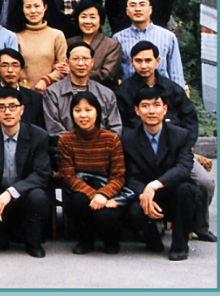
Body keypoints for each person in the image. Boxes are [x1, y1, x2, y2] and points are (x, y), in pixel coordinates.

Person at [114, 41, 213, 241]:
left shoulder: (172, 89)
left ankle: (199, 226)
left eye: (148, 60)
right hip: (141, 154)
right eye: (139, 61)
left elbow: (190, 120)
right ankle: (153, 223)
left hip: (174, 151)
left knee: (205, 182)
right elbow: (122, 125)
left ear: (157, 61)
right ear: (131, 62)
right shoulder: (124, 92)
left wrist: (184, 145)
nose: (144, 65)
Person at [122, 86, 200, 261]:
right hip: (147, 196)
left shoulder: (181, 135)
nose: (151, 111)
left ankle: (180, 245)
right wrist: (144, 194)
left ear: (165, 109)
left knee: (187, 190)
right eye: (145, 106)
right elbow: (130, 176)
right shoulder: (128, 139)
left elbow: (184, 168)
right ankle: (152, 240)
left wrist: (154, 185)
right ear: (137, 110)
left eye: (156, 105)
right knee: (134, 209)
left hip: (173, 193)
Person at [0, 87, 51, 257]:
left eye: (12, 106)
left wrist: (11, 192)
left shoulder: (39, 136)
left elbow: (40, 174)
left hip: (24, 194)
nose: (7, 112)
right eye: (1, 107)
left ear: (21, 110)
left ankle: (33, 242)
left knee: (38, 196)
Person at [57, 91, 127, 255]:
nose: (83, 115)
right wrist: (95, 195)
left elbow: (118, 176)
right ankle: (85, 240)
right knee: (77, 202)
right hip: (82, 190)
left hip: (107, 190)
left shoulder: (111, 139)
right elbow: (68, 177)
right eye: (77, 110)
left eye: (88, 110)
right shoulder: (65, 140)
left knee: (107, 215)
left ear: (97, 112)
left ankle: (111, 240)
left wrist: (104, 194)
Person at [43, 41, 122, 138]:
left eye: (85, 59)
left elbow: (115, 127)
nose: (81, 63)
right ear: (67, 62)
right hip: (66, 146)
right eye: (75, 59)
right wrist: (78, 145)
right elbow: (54, 129)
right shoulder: (53, 93)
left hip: (102, 146)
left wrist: (99, 144)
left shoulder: (106, 93)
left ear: (92, 62)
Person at [112, 0, 185, 88]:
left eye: (142, 5)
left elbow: (176, 73)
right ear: (127, 11)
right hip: (131, 92)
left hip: (162, 92)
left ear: (150, 9)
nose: (137, 9)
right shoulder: (118, 38)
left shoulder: (167, 36)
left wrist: (179, 93)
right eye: (133, 5)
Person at [16, 0, 68, 92]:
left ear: (45, 7)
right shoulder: (15, 36)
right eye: (28, 7)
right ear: (22, 9)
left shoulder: (57, 35)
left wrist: (46, 80)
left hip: (50, 92)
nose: (33, 11)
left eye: (37, 6)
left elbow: (64, 68)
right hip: (23, 93)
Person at [66, 0, 123, 91]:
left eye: (93, 17)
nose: (88, 21)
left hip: (100, 92)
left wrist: (75, 73)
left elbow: (107, 74)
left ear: (101, 20)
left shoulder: (111, 45)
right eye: (83, 17)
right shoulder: (69, 42)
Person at [0, 48, 46, 130]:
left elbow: (40, 130)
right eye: (5, 66)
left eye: (15, 65)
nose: (10, 70)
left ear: (21, 70)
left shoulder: (35, 98)